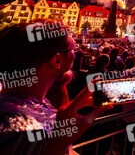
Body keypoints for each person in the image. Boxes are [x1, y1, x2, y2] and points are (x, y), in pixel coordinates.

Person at [0, 22, 112, 154]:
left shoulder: (28, 103)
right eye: (73, 49)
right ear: (57, 61)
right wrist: (58, 142)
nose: (75, 54)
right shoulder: (20, 130)